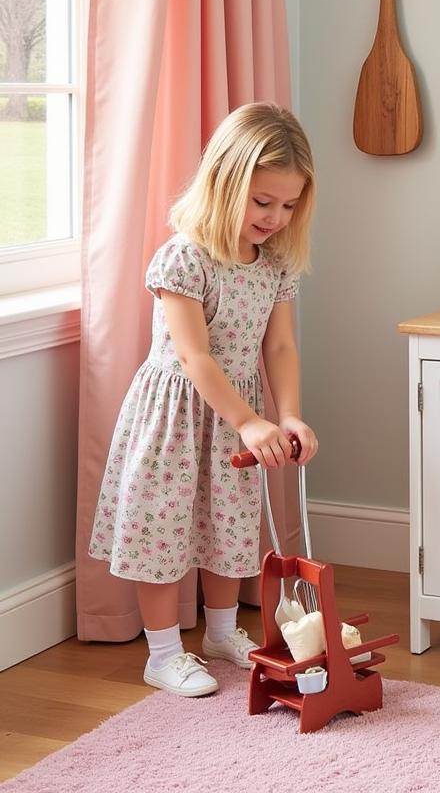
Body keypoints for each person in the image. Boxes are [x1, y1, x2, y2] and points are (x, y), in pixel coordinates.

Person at [89, 102, 319, 696]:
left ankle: (220, 632)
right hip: (178, 413)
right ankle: (162, 653)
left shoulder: (274, 264)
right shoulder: (184, 258)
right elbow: (194, 358)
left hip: (237, 415)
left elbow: (282, 347)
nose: (275, 216)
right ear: (224, 184)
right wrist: (248, 420)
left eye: (289, 204)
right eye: (262, 201)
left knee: (229, 527)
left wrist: (287, 413)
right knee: (161, 532)